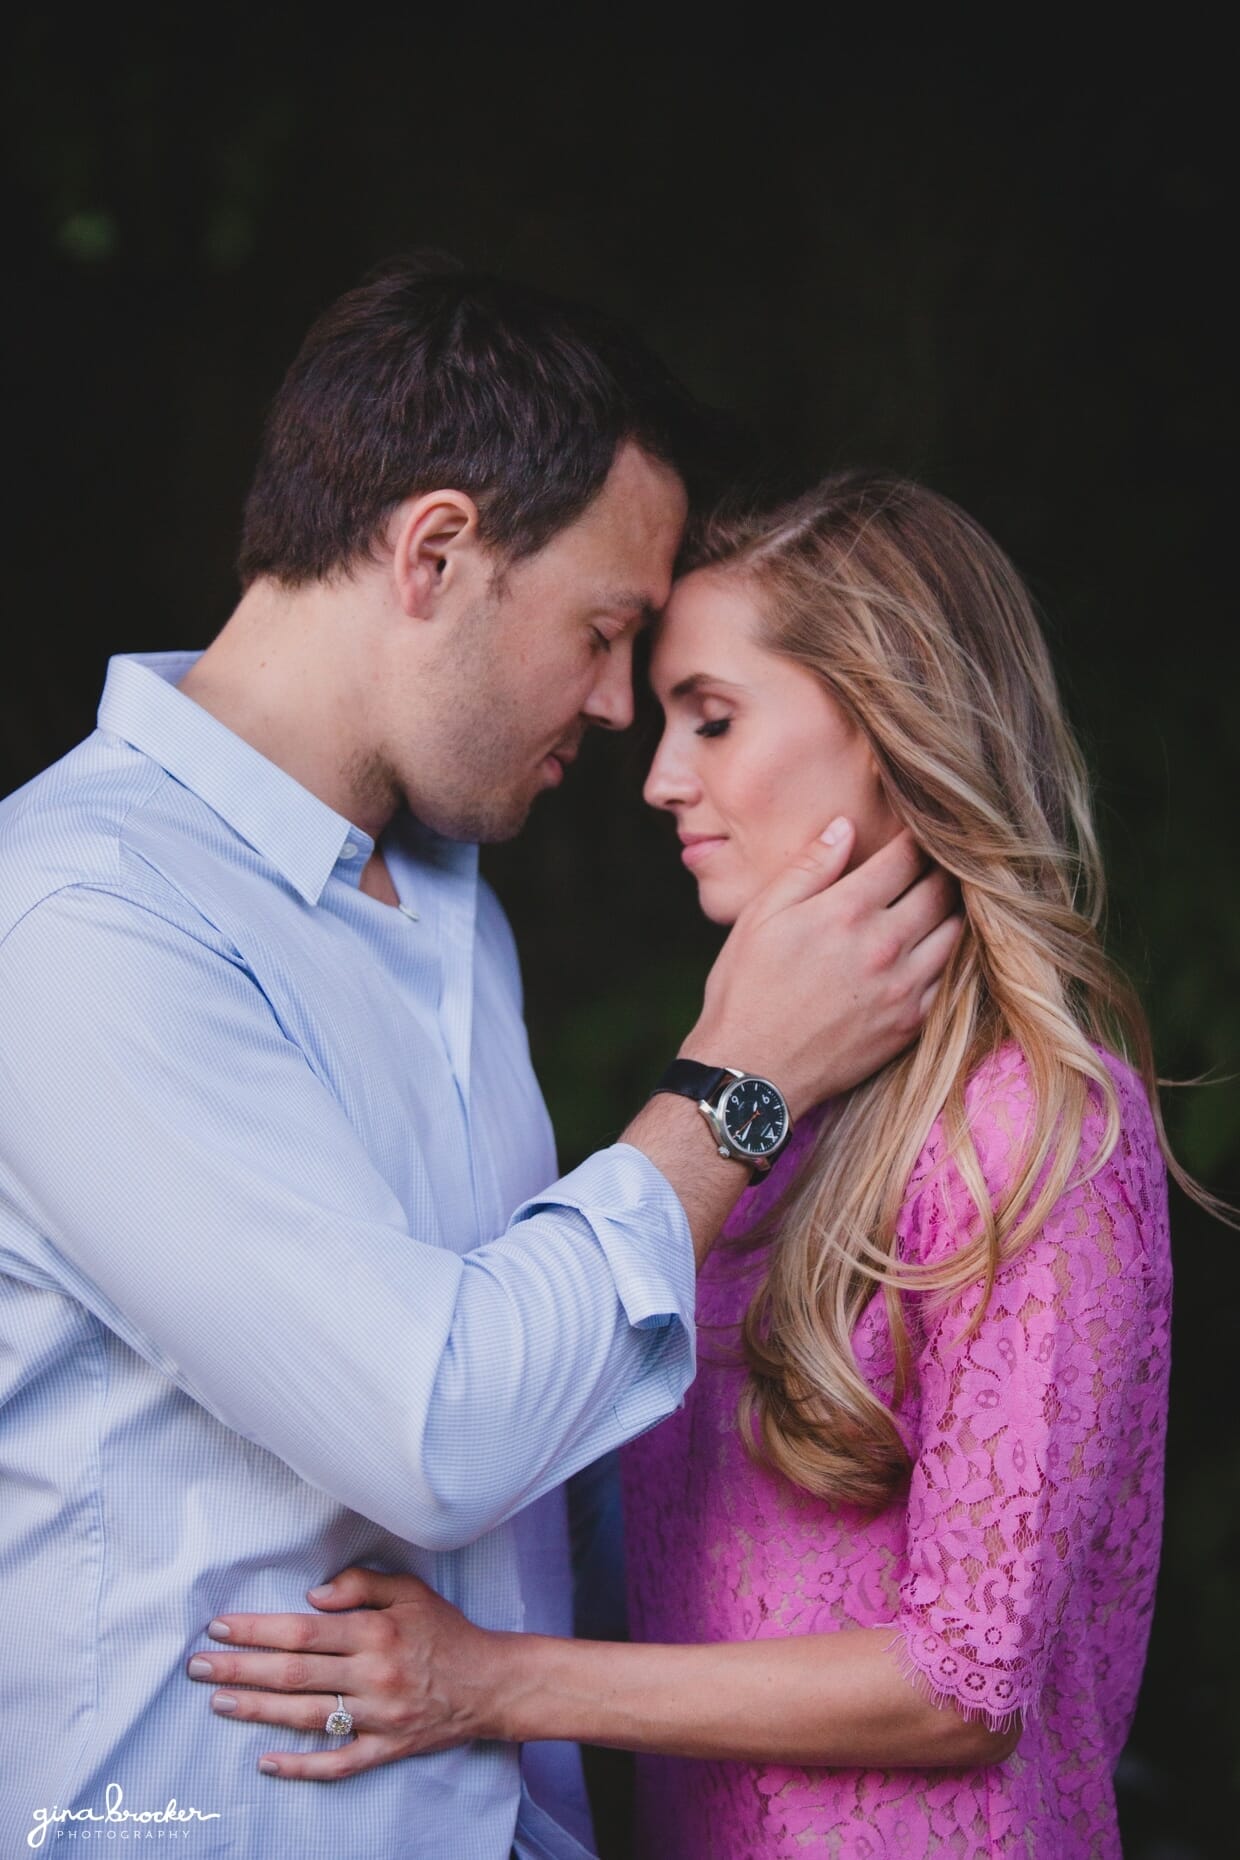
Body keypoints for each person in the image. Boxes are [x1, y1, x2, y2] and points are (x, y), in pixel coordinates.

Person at [0, 262, 958, 1860]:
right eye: (602, 632)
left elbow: (548, 1441)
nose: (610, 705)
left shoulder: (449, 900)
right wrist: (738, 1084)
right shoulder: (80, 920)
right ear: (435, 551)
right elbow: (435, 1434)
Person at [195, 472, 1186, 1859]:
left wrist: (489, 1681)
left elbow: (966, 1683)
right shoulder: (774, 1117)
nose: (660, 775)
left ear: (893, 724)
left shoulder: (1039, 1122)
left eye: (711, 718)